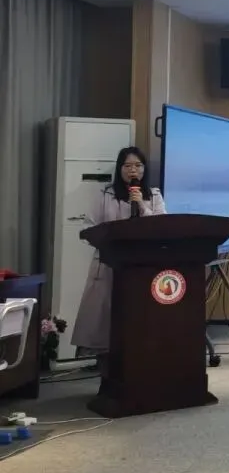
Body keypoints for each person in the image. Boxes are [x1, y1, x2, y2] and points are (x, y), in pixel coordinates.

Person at [71, 146, 166, 366]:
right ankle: (105, 369)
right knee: (105, 321)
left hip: (143, 266)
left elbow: (162, 227)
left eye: (138, 165)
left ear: (144, 169)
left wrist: (141, 204)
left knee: (139, 318)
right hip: (109, 264)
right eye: (128, 165)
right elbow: (89, 227)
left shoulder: (154, 195)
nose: (133, 170)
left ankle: (139, 366)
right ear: (119, 168)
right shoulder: (105, 194)